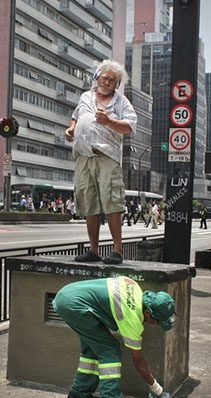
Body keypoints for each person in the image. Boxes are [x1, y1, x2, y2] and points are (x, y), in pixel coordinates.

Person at [52, 276, 176, 398]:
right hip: (75, 306)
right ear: (148, 313)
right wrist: (156, 389)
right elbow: (138, 361)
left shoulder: (134, 286)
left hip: (67, 295)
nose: (155, 325)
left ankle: (79, 396)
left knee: (92, 350)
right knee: (110, 351)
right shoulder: (132, 319)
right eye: (156, 322)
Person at [65, 59, 137, 265]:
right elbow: (75, 116)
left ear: (117, 84)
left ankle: (117, 249)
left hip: (107, 157)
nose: (107, 82)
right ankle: (93, 249)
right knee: (88, 202)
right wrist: (71, 129)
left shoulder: (121, 102)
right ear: (97, 78)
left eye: (112, 80)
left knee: (112, 201)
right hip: (84, 156)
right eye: (105, 78)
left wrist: (109, 121)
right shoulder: (85, 97)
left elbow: (129, 127)